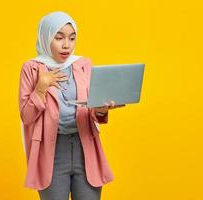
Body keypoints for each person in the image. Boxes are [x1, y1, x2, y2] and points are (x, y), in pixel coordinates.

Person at [18, 11, 125, 200]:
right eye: (59, 38)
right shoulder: (32, 68)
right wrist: (41, 87)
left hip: (85, 146)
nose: (66, 45)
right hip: (52, 151)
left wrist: (100, 110)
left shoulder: (84, 64)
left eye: (72, 38)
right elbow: (26, 117)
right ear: (46, 37)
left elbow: (93, 109)